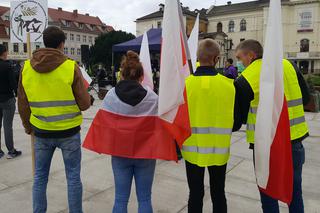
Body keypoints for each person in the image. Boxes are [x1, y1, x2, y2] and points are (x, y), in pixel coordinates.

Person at [83, 50, 178, 213]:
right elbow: (162, 125)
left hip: (120, 154)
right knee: (145, 199)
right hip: (146, 155)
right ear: (142, 77)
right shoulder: (152, 97)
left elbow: (103, 126)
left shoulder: (111, 95)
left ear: (121, 75)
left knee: (120, 199)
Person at [18, 26, 91, 213]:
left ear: (44, 42)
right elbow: (84, 104)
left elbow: (23, 104)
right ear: (61, 44)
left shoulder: (26, 67)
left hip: (41, 132)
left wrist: (28, 127)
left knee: (40, 177)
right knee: (73, 177)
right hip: (69, 132)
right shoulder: (70, 66)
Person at [233, 39, 310, 213]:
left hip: (265, 147)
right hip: (295, 141)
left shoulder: (245, 78)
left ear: (251, 55)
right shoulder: (290, 66)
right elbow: (305, 99)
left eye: (239, 58)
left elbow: (238, 120)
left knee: (268, 194)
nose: (239, 62)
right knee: (295, 193)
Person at [181, 39, 238, 213]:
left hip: (191, 150)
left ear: (198, 57)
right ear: (216, 59)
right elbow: (236, 122)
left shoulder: (184, 85)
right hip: (218, 150)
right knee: (218, 193)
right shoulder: (230, 85)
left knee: (195, 194)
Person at [0, 44, 22, 159]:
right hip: (7, 99)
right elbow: (13, 83)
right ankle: (11, 150)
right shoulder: (8, 66)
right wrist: (18, 95)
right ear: (4, 53)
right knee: (7, 126)